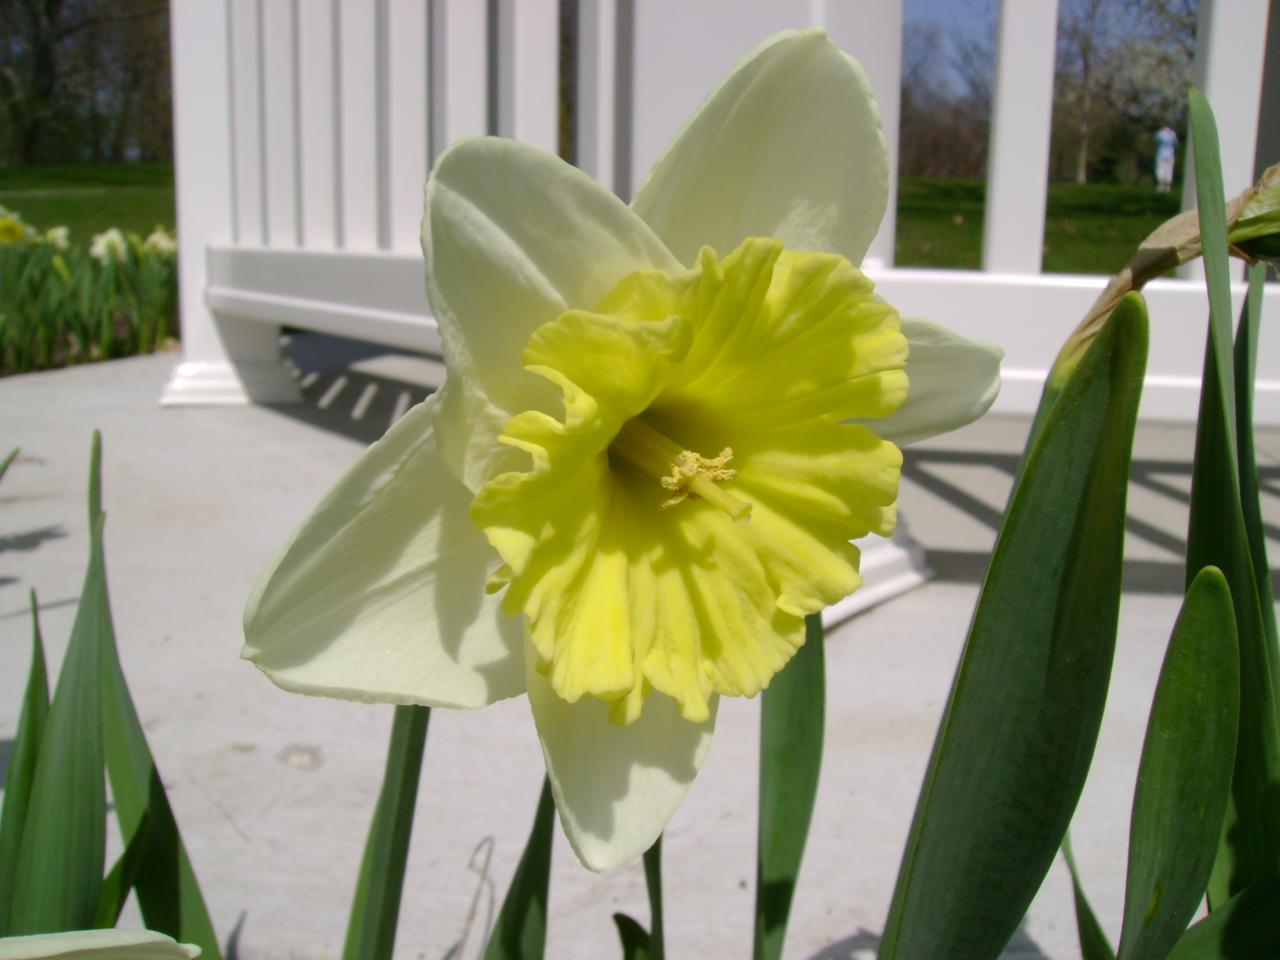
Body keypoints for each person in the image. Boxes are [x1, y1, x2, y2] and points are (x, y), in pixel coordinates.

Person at [1155, 124, 1178, 192]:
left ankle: (1162, 185)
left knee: (1162, 168)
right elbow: (1176, 144)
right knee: (1168, 169)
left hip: (1162, 153)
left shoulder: (1160, 134)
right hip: (1170, 154)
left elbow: (1156, 142)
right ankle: (1166, 186)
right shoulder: (1173, 134)